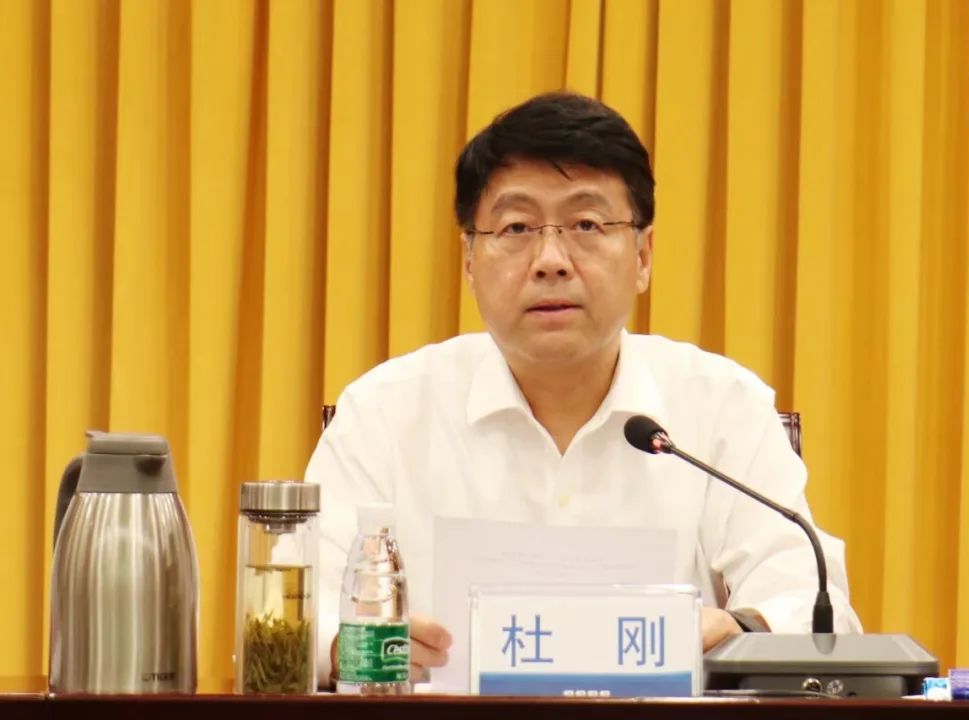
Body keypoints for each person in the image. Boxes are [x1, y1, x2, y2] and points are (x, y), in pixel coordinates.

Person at [306, 91, 861, 687]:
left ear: (643, 255)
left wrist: (740, 630)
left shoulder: (722, 407)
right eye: (516, 227)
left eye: (587, 225)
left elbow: (816, 605)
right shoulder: (385, 414)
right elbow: (298, 614)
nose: (550, 260)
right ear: (469, 260)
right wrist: (347, 646)